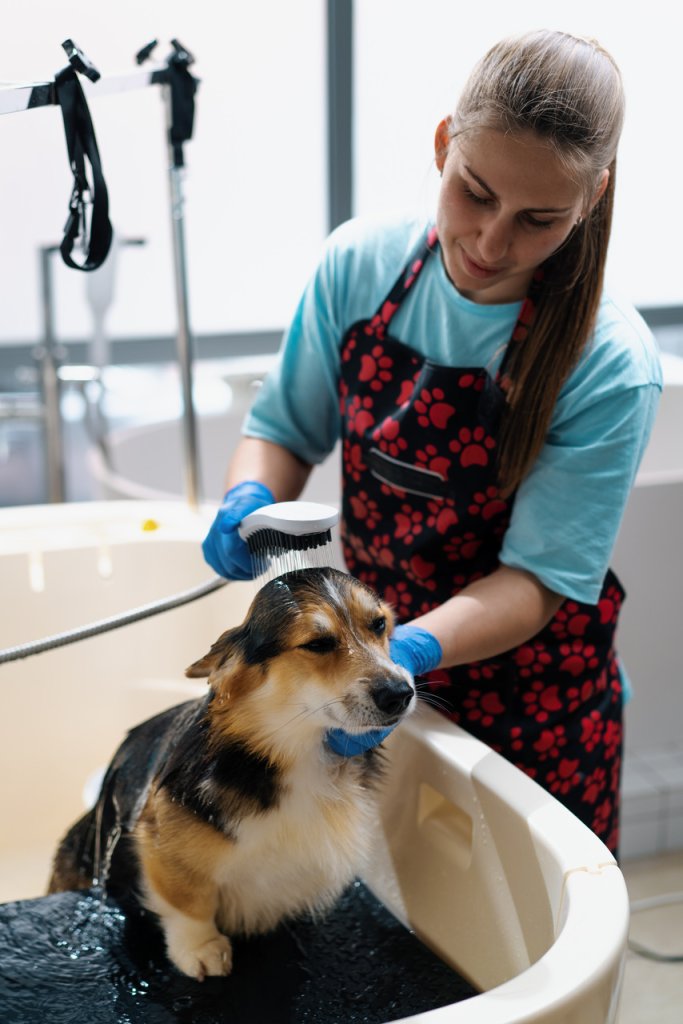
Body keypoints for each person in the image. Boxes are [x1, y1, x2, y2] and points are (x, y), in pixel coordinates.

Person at [202, 29, 662, 856]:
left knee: (526, 958)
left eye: (538, 219)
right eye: (474, 193)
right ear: (445, 144)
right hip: (368, 679)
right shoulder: (358, 265)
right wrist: (248, 497)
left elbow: (536, 579)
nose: (490, 244)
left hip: (531, 710)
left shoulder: (609, 362)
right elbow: (281, 429)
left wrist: (407, 649)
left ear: (591, 199)